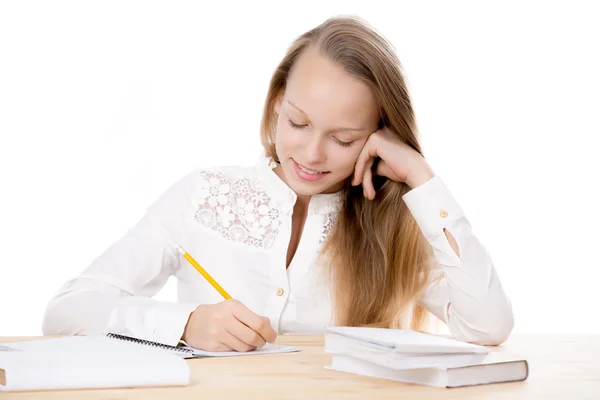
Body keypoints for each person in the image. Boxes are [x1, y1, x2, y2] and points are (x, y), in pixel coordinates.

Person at [42, 15, 514, 352]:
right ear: (276, 106)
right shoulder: (202, 196)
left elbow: (488, 325)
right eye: (298, 123)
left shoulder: (393, 225)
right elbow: (66, 312)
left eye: (343, 138)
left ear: (378, 136)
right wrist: (183, 324)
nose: (311, 155)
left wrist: (422, 181)